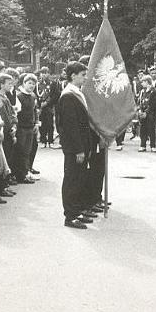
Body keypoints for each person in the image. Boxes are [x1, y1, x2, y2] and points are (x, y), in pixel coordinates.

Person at [57, 62, 92, 230]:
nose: (85, 78)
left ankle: (76, 212)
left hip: (82, 145)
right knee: (72, 180)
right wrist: (79, 149)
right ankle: (70, 216)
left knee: (79, 179)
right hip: (74, 148)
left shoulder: (76, 93)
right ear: (73, 75)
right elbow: (70, 126)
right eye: (83, 75)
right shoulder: (68, 95)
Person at [14, 73, 39, 183]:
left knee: (28, 151)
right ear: (24, 83)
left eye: (33, 84)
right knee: (21, 151)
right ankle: (20, 175)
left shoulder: (33, 96)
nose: (31, 86)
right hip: (21, 128)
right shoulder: (19, 96)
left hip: (31, 127)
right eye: (29, 83)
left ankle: (26, 172)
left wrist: (37, 123)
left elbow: (35, 111)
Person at [137, 76, 156, 152]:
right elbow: (140, 102)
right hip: (143, 114)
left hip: (151, 114)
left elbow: (154, 104)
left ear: (147, 82)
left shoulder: (154, 91)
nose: (141, 83)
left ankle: (153, 146)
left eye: (143, 82)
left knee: (151, 130)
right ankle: (143, 145)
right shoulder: (142, 91)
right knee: (143, 130)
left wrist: (146, 112)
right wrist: (140, 110)